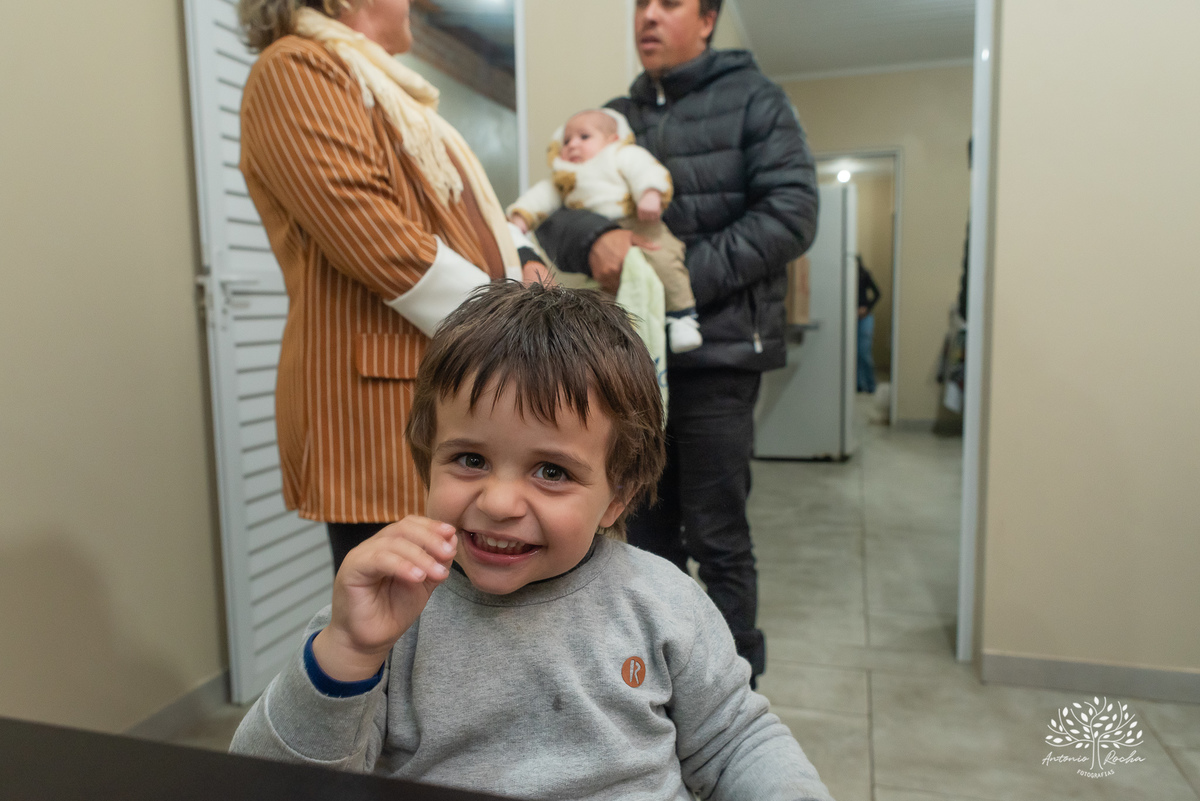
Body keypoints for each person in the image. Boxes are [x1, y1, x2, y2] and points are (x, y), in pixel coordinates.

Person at [228, 283, 833, 801]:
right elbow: (265, 783)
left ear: (616, 497)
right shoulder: (387, 617)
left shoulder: (663, 603)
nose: (498, 503)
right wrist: (346, 655)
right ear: (426, 464)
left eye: (552, 471)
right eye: (469, 459)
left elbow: (737, 742)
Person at [533, 0, 819, 684]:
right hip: (628, 358)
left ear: (710, 18)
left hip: (718, 353)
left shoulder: (756, 99)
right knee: (637, 533)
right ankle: (650, 690)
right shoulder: (610, 118)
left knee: (717, 534)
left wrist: (674, 279)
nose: (648, 16)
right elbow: (559, 210)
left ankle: (731, 699)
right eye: (640, 4)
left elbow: (791, 213)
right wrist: (597, 239)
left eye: (669, 3)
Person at [236, 0, 547, 573]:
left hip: (449, 378)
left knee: (471, 628)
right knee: (406, 630)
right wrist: (510, 327)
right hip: (382, 401)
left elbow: (466, 213)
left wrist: (523, 256)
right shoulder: (294, 68)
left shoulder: (392, 89)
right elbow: (371, 233)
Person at [508, 108, 702, 353]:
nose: (572, 145)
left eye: (584, 137)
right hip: (597, 232)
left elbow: (646, 170)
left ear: (612, 139)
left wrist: (650, 194)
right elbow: (540, 197)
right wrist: (520, 218)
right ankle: (608, 341)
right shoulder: (565, 176)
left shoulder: (621, 154)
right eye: (566, 140)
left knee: (666, 261)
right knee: (599, 295)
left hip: (639, 223)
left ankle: (682, 315)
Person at [856, 255, 881, 394]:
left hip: (865, 318)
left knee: (864, 352)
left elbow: (878, 293)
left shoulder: (864, 275)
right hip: (851, 319)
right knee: (854, 353)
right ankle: (859, 384)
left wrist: (867, 308)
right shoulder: (847, 277)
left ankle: (871, 385)